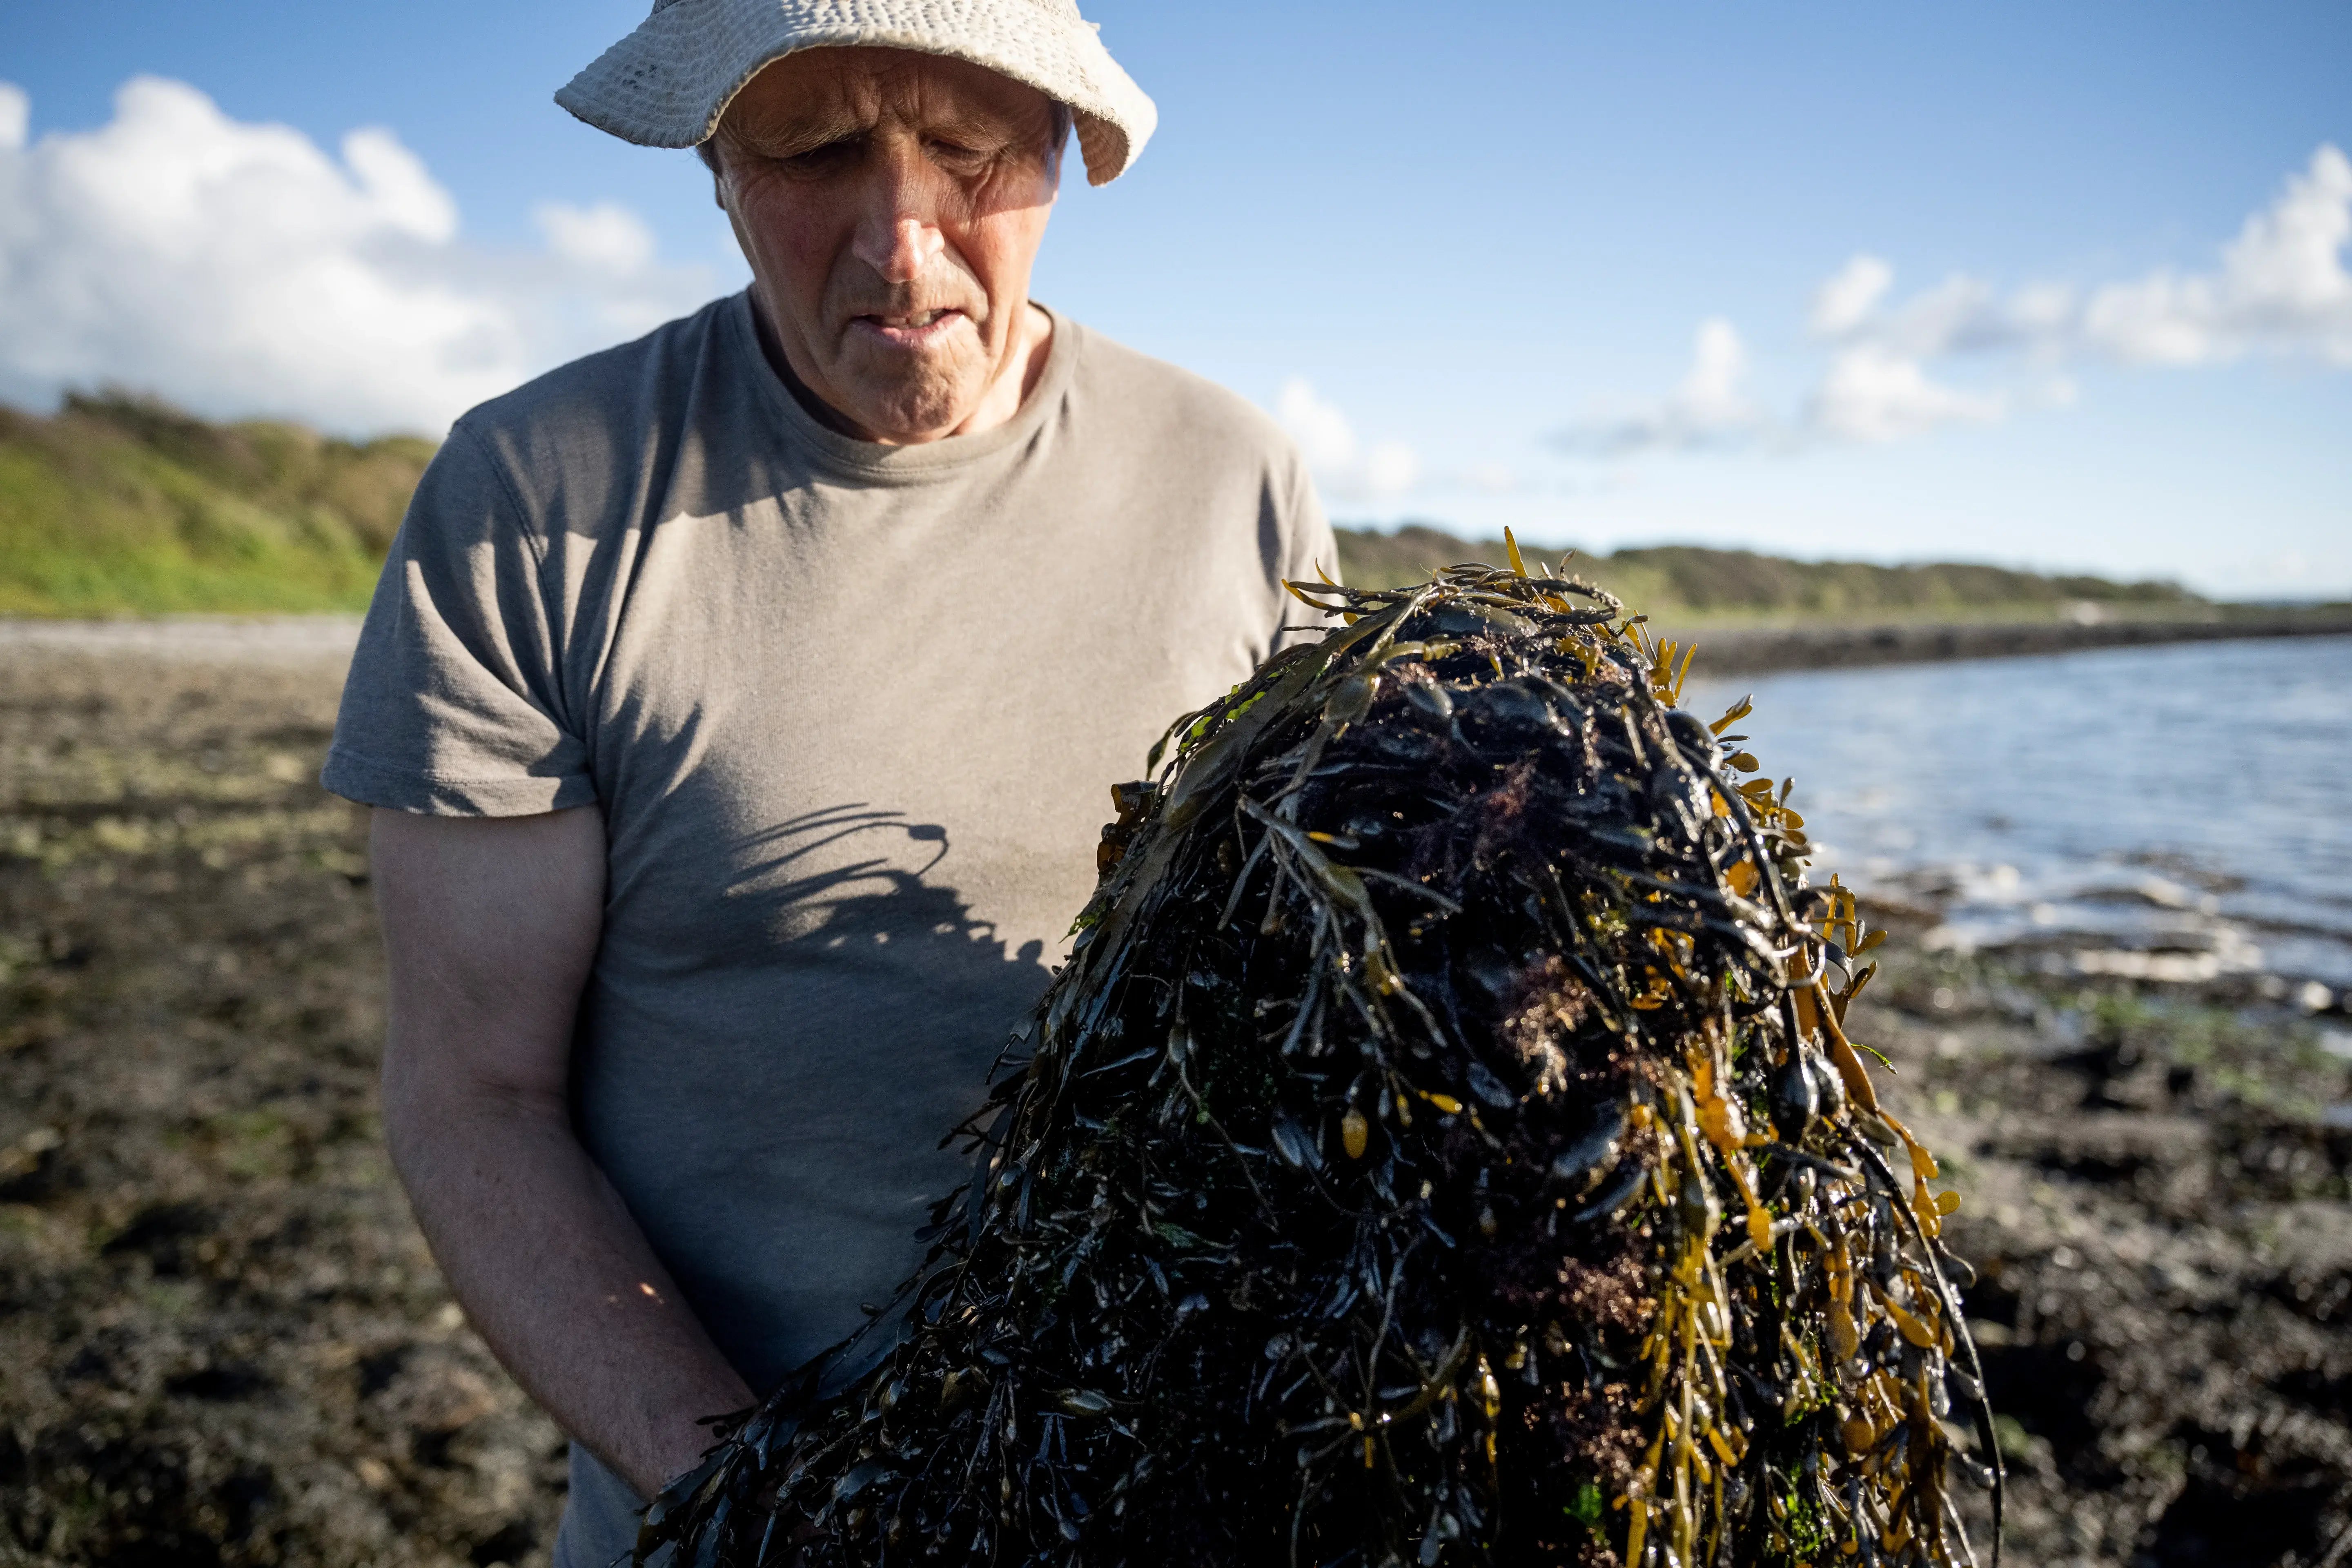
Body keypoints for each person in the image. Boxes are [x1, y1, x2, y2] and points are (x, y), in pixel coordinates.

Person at [320, 1, 1334, 1562]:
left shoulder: (1238, 484)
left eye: (969, 150)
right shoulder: (535, 501)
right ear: (719, 167)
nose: (901, 245)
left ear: (1060, 152)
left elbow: (1316, 1019)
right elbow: (475, 1099)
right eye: (815, 152)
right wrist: (762, 1503)